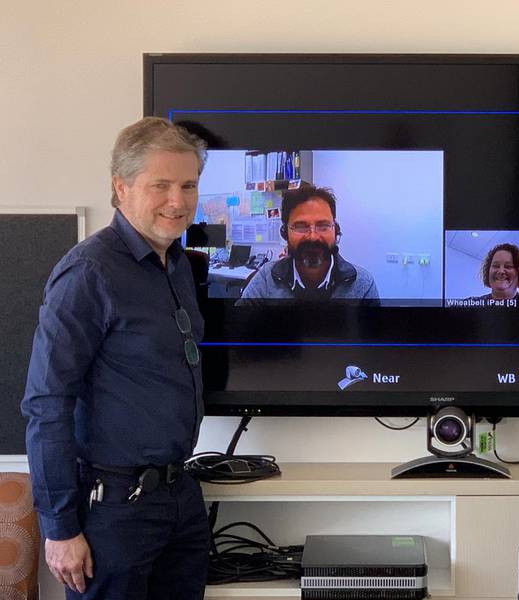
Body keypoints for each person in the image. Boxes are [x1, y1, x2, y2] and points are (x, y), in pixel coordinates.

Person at [22, 117, 210, 599]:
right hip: (113, 511)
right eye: (161, 185)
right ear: (120, 188)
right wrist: (60, 527)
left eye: (188, 185)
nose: (178, 200)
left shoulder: (176, 264)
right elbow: (47, 403)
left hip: (178, 499)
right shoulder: (88, 272)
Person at [238, 185, 379, 304]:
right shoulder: (266, 278)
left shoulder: (363, 284)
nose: (313, 237)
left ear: (336, 230)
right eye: (300, 226)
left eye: (323, 225)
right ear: (285, 232)